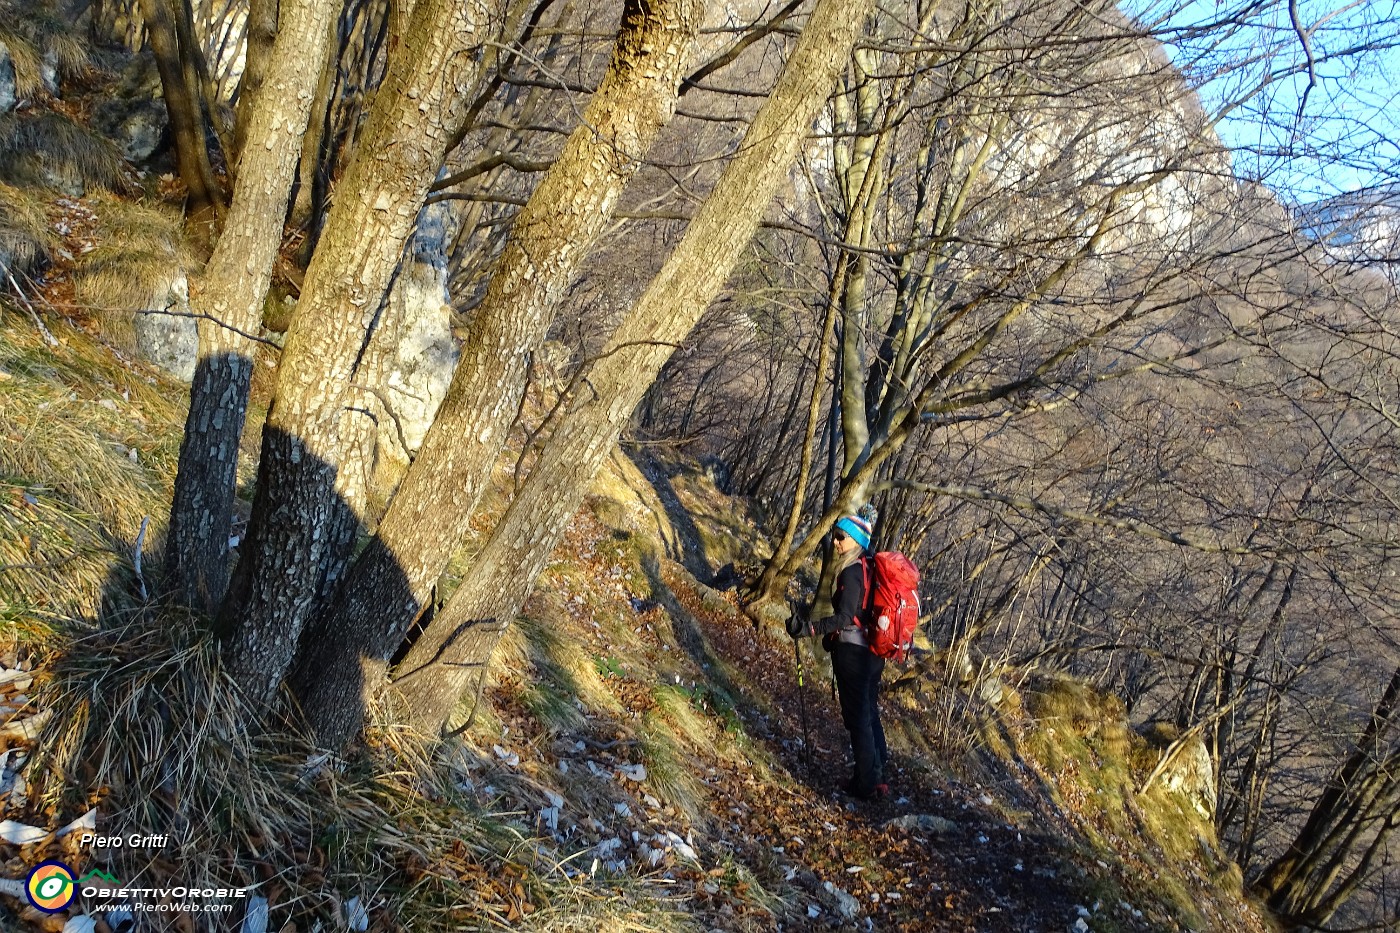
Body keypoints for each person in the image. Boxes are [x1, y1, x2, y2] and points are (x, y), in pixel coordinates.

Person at [787, 513, 889, 799]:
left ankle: (866, 784)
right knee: (869, 713)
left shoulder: (852, 572)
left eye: (840, 537)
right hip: (873, 653)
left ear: (855, 540)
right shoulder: (870, 567)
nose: (835, 541)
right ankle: (876, 774)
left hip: (853, 654)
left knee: (857, 718)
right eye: (835, 536)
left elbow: (844, 617)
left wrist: (809, 628)